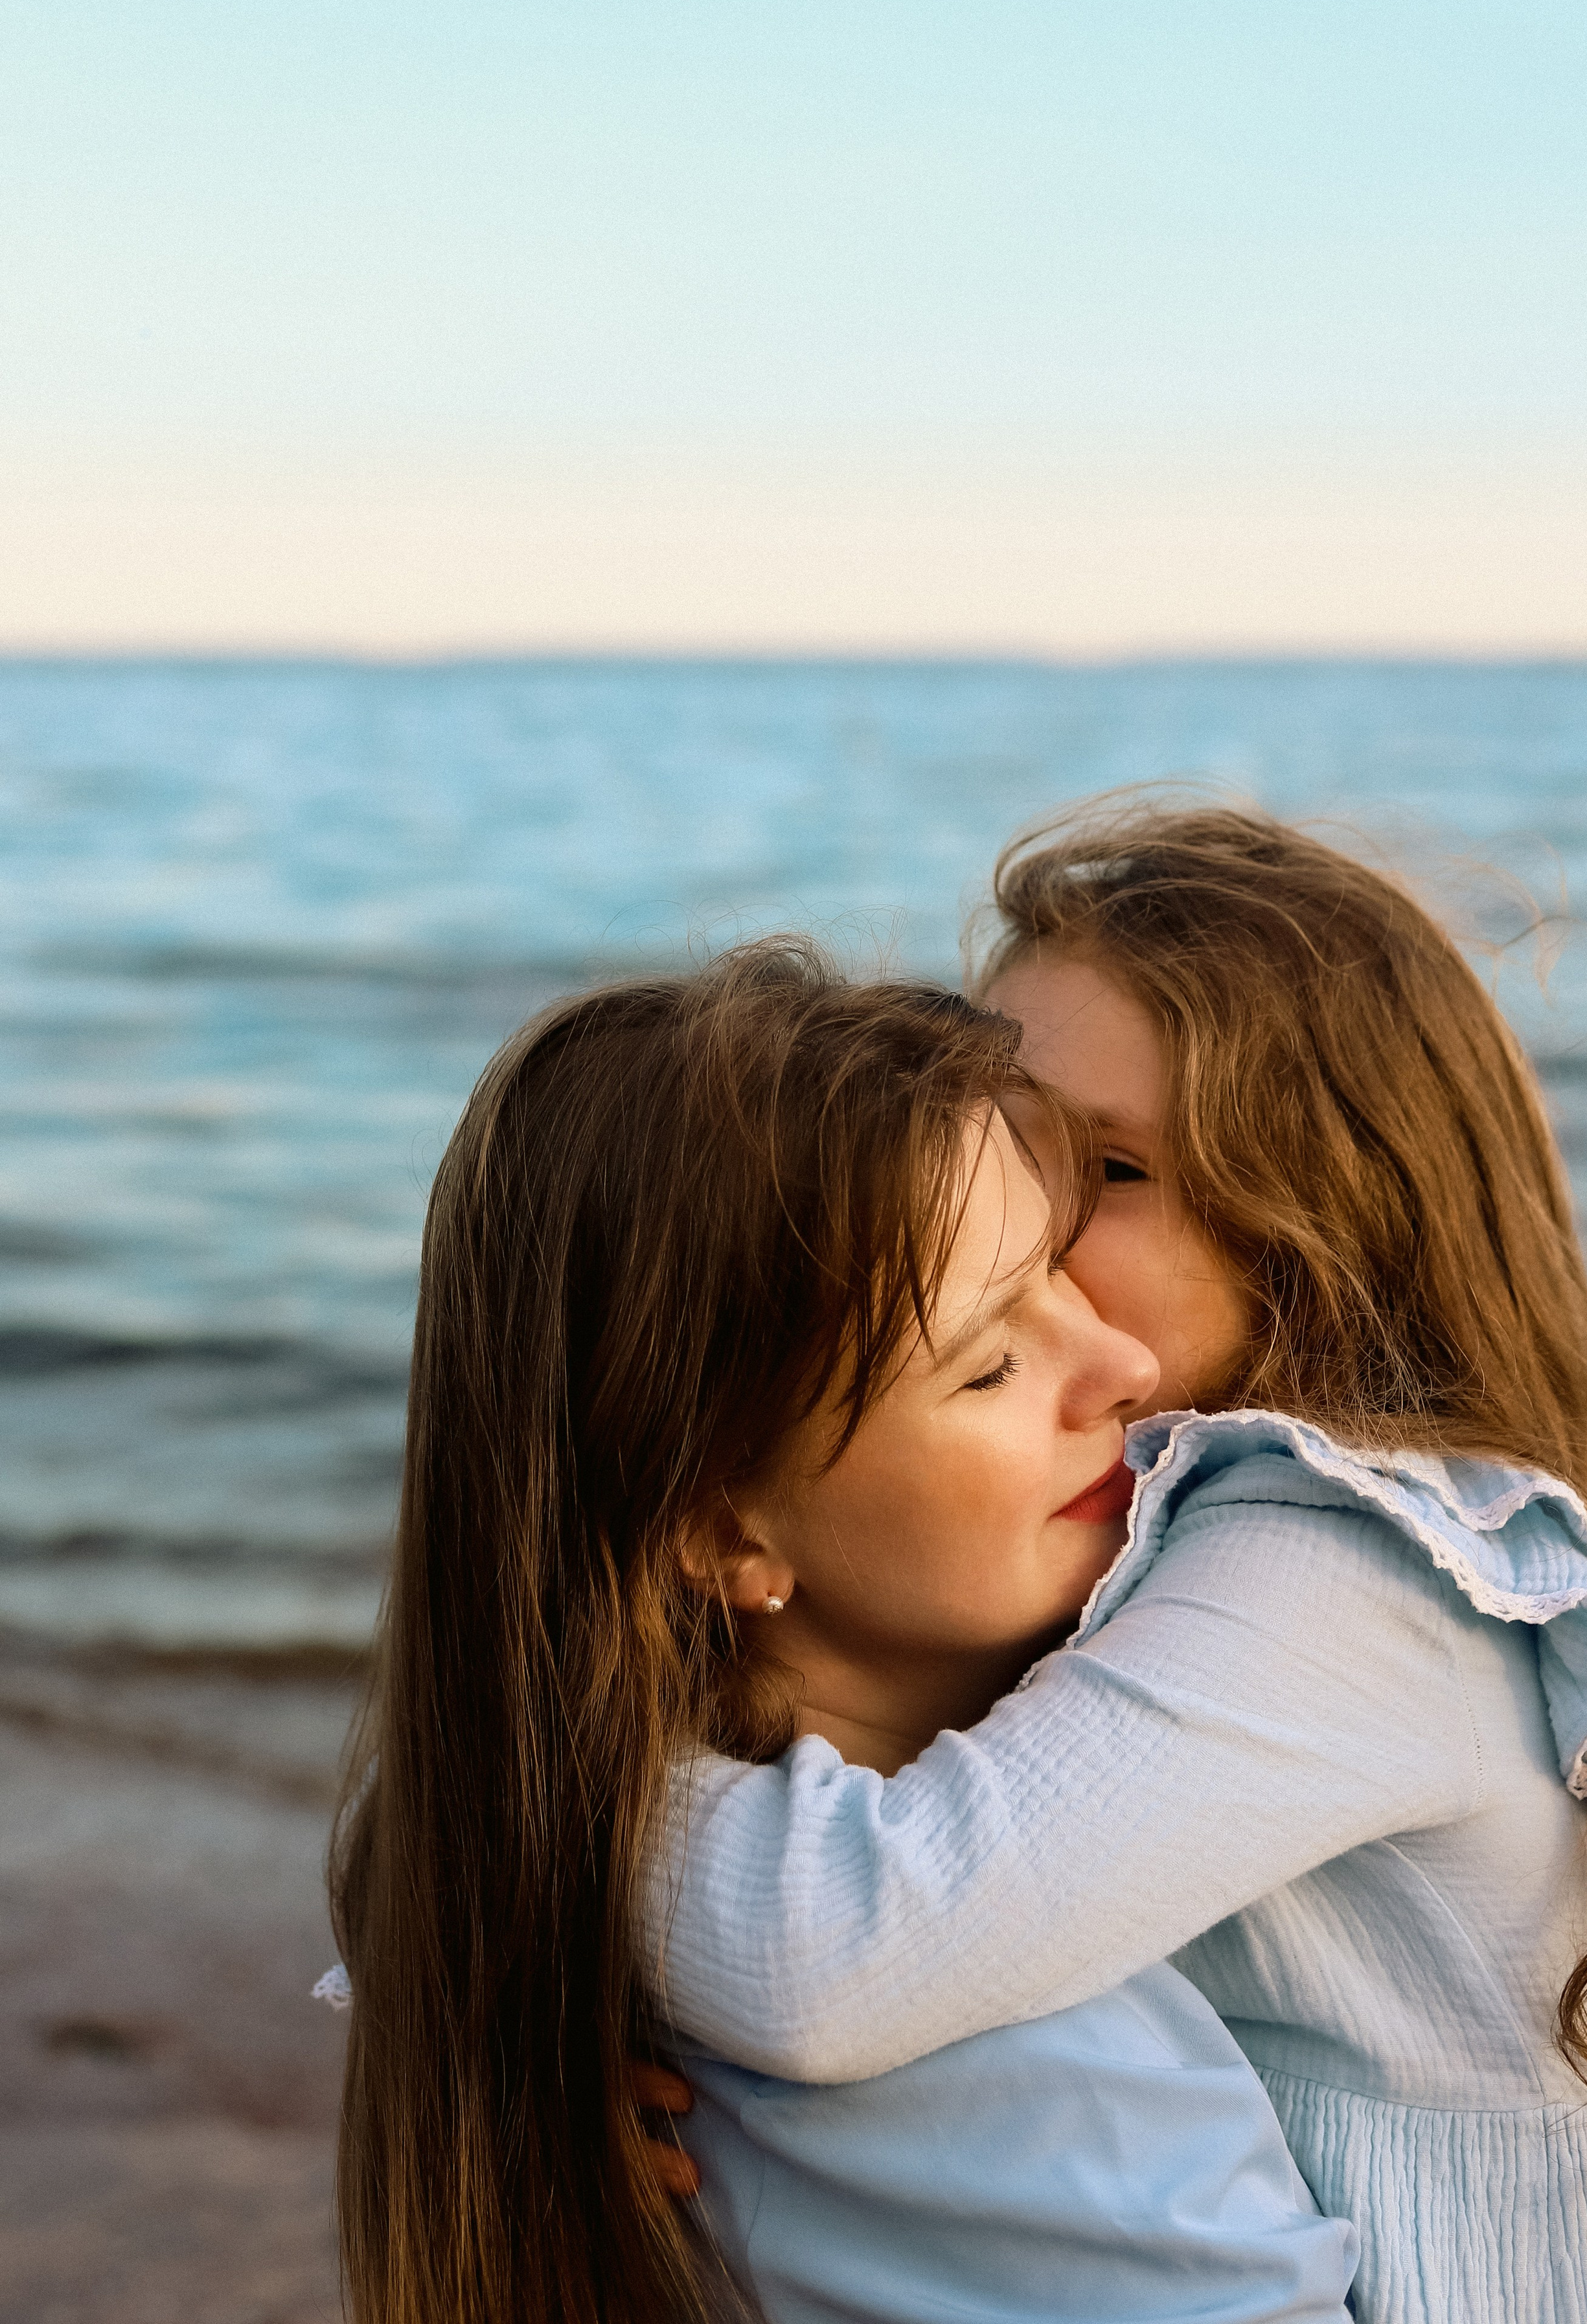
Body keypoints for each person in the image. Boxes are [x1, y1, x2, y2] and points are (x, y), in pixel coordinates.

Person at [644, 803, 1587, 2321]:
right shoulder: (1120, 1523)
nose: (1004, 1205)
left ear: (1323, 1227)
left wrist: (486, 1854)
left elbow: (838, 1955)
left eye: (1103, 1168)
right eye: (998, 1129)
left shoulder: (1349, 1563)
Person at [323, 940, 1359, 2324]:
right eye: (988, 1360)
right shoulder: (1016, 2063)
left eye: (1064, 1271)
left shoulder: (554, 1902)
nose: (1121, 1367)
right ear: (719, 1530)